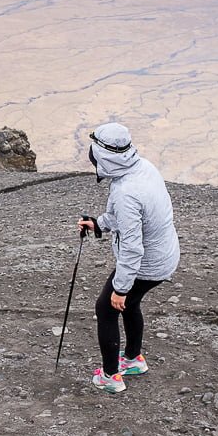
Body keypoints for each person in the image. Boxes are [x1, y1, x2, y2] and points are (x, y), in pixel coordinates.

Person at [76, 123, 180, 394]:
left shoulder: (126, 192)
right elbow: (127, 219)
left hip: (147, 264)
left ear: (103, 157)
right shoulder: (142, 167)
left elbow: (133, 248)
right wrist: (98, 224)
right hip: (164, 255)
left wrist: (121, 288)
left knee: (107, 308)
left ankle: (111, 376)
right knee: (130, 305)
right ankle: (134, 359)